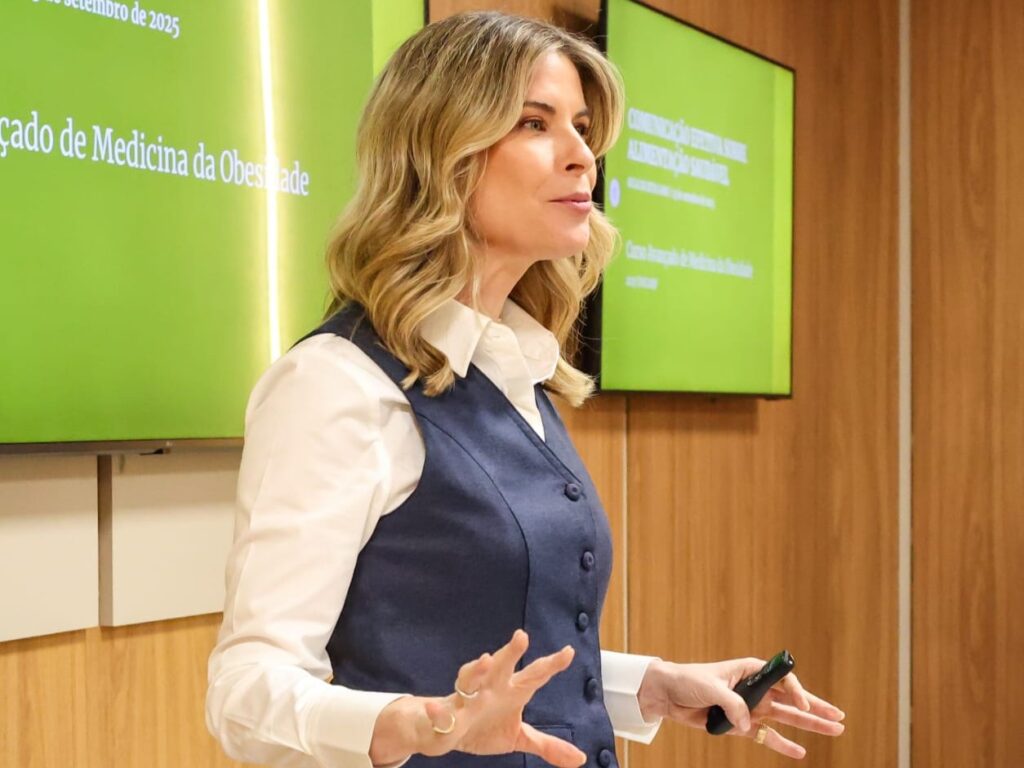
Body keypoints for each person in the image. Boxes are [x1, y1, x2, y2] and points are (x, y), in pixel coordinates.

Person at [206, 11, 846, 768]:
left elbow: (486, 659)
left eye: (582, 127)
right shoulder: (335, 384)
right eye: (535, 124)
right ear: (442, 152)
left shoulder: (514, 371)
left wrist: (652, 686)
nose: (584, 157)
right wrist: (416, 726)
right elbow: (244, 692)